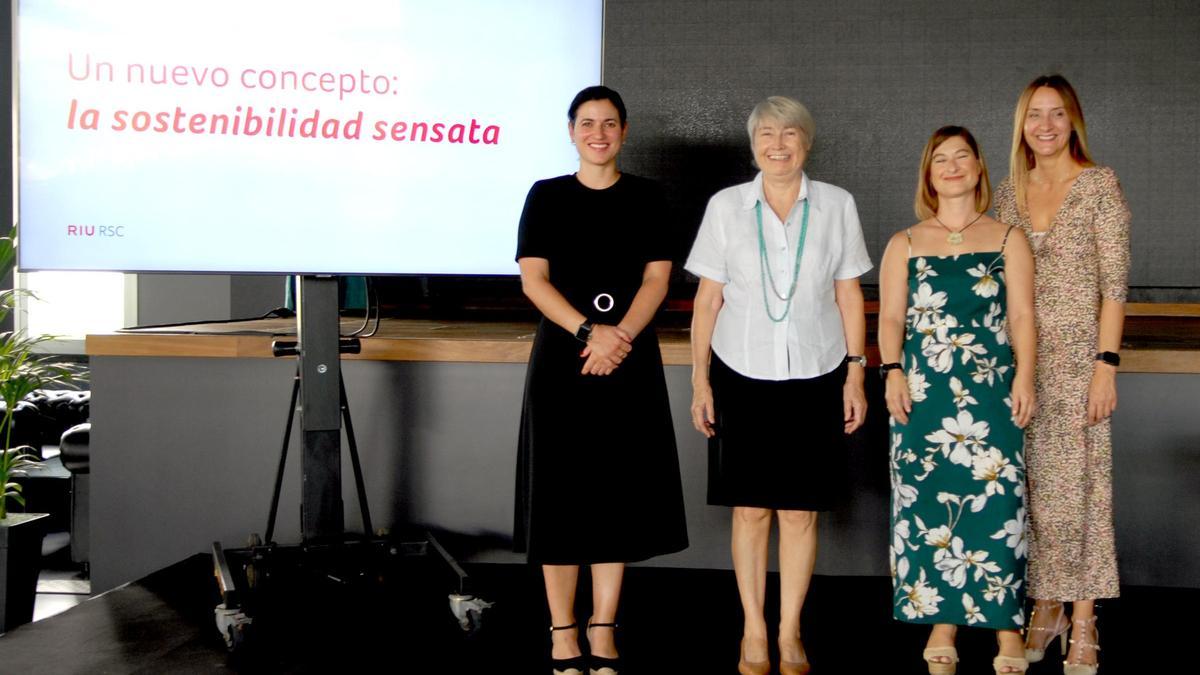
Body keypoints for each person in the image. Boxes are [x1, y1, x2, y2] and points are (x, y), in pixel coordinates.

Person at [686, 95, 871, 675]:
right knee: (751, 512)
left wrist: (856, 372)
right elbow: (708, 299)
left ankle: (790, 631)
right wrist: (700, 381)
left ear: (806, 142)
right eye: (767, 134)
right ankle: (753, 631)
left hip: (818, 371)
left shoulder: (837, 205)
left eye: (790, 133)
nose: (778, 144)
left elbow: (848, 293)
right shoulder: (726, 207)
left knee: (799, 513)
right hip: (740, 371)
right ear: (752, 144)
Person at [512, 85, 688, 675]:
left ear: (624, 131)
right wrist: (592, 333)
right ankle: (563, 630)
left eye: (610, 123)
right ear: (571, 131)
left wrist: (621, 340)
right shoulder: (546, 196)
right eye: (587, 123)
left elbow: (656, 281)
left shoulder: (648, 197)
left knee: (617, 494)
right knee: (559, 496)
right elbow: (534, 281)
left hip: (628, 359)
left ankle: (603, 626)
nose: (599, 133)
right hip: (564, 360)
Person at [880, 126, 1036, 674]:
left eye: (960, 157)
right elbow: (892, 317)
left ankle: (1007, 627)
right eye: (939, 159)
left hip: (991, 389)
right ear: (928, 173)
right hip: (924, 394)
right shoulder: (903, 241)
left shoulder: (1007, 237)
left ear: (977, 169)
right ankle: (942, 620)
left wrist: (1025, 378)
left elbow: (1021, 317)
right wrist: (892, 371)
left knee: (998, 504)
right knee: (929, 507)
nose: (950, 167)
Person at [994, 74, 1131, 675]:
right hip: (1016, 365)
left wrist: (1106, 365)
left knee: (1079, 494)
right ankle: (1043, 606)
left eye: (1056, 114)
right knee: (1028, 494)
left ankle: (1083, 619)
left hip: (1080, 364)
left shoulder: (1098, 186)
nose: (1044, 126)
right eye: (1033, 115)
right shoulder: (1006, 193)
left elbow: (1115, 287)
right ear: (1020, 124)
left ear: (1073, 119)